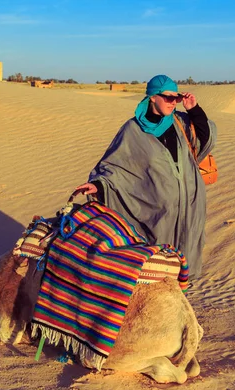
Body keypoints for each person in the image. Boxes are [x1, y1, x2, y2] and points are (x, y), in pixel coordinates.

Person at [75, 74, 217, 278]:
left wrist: (193, 109)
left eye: (176, 98)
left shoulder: (180, 122)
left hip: (190, 207)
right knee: (157, 266)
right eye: (168, 97)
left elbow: (205, 138)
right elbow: (118, 164)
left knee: (185, 262)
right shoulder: (133, 130)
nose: (173, 102)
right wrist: (99, 185)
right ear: (152, 97)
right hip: (157, 214)